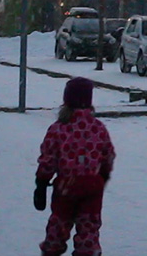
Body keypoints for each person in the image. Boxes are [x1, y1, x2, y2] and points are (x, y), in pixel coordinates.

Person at [35, 77, 115, 256]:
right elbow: (107, 154)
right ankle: (87, 251)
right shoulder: (98, 128)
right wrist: (103, 175)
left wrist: (41, 183)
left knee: (59, 224)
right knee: (88, 227)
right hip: (92, 186)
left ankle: (52, 250)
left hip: (66, 187)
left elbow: (48, 158)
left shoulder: (58, 129)